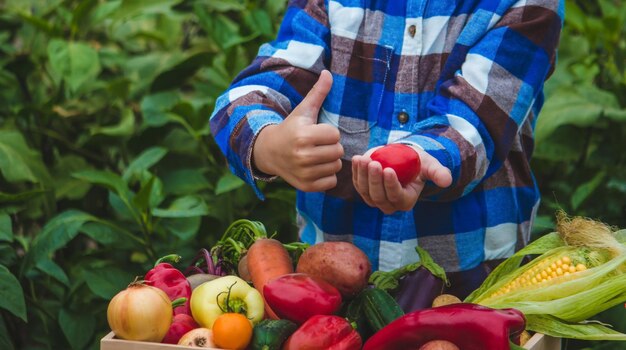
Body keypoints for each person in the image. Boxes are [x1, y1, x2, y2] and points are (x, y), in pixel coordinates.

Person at [210, 0, 564, 299]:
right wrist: (269, 143)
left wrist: (420, 158)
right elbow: (279, 72)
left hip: (469, 282)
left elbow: (475, 122)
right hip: (330, 284)